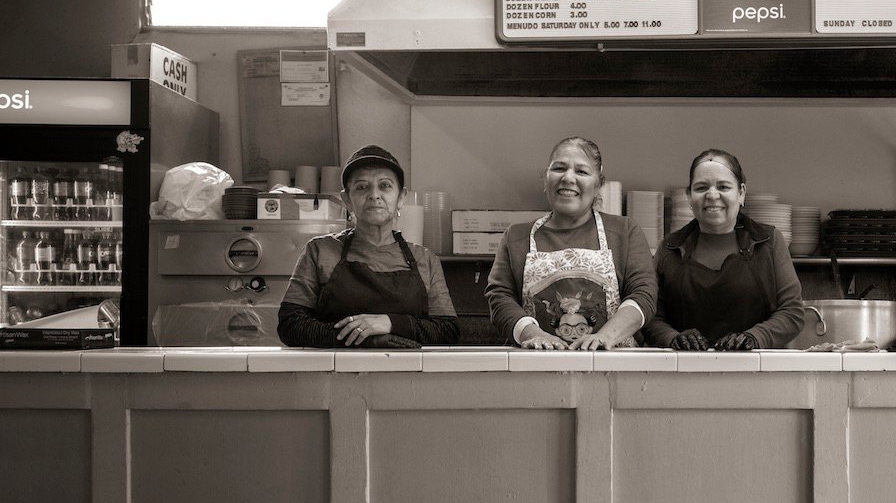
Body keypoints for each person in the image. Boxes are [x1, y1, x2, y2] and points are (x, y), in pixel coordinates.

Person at [278, 145, 459, 348]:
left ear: (401, 198)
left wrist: (390, 323)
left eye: (385, 186)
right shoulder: (320, 251)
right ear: (347, 199)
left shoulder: (425, 259)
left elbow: (447, 331)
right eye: (362, 187)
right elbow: (290, 324)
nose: (374, 195)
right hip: (334, 376)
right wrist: (368, 338)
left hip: (409, 376)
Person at [485, 136, 656, 350]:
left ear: (598, 184)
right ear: (545, 179)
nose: (568, 178)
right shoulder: (516, 236)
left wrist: (605, 337)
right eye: (559, 168)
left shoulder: (625, 232)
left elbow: (644, 294)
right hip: (536, 368)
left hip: (614, 369)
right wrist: (534, 335)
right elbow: (500, 298)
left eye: (581, 172)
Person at [643, 149, 804, 350]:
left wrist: (754, 338)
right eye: (701, 187)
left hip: (759, 371)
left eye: (723, 186)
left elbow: (792, 312)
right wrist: (672, 338)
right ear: (689, 196)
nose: (712, 195)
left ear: (741, 193)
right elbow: (649, 315)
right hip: (683, 372)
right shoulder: (670, 248)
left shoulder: (768, 242)